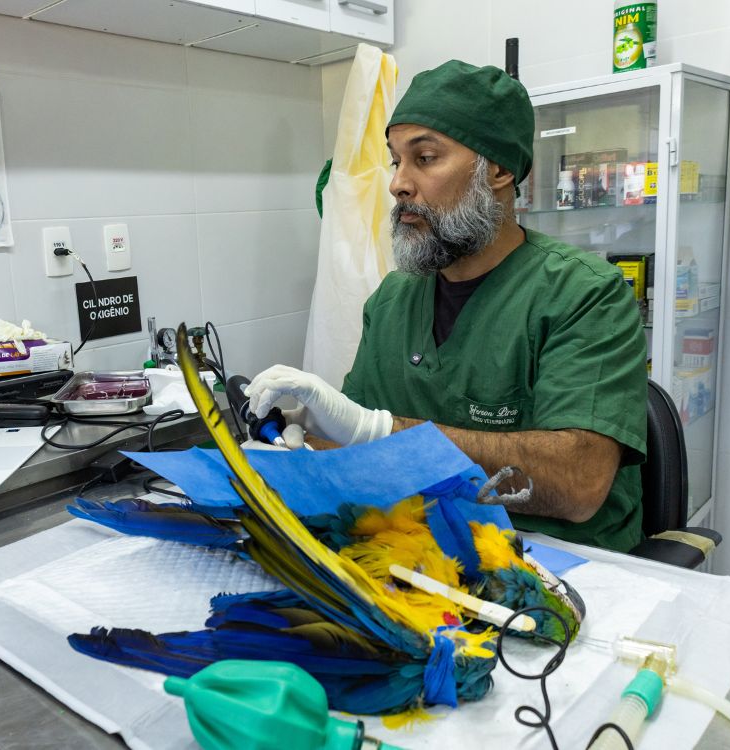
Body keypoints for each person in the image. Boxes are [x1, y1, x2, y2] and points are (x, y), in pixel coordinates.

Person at [246, 60, 648, 552]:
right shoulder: (393, 300)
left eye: (426, 157)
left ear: (498, 169)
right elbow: (353, 442)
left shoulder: (584, 295)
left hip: (565, 565)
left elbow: (578, 480)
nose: (398, 184)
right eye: (396, 161)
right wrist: (300, 447)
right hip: (424, 554)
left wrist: (378, 431)